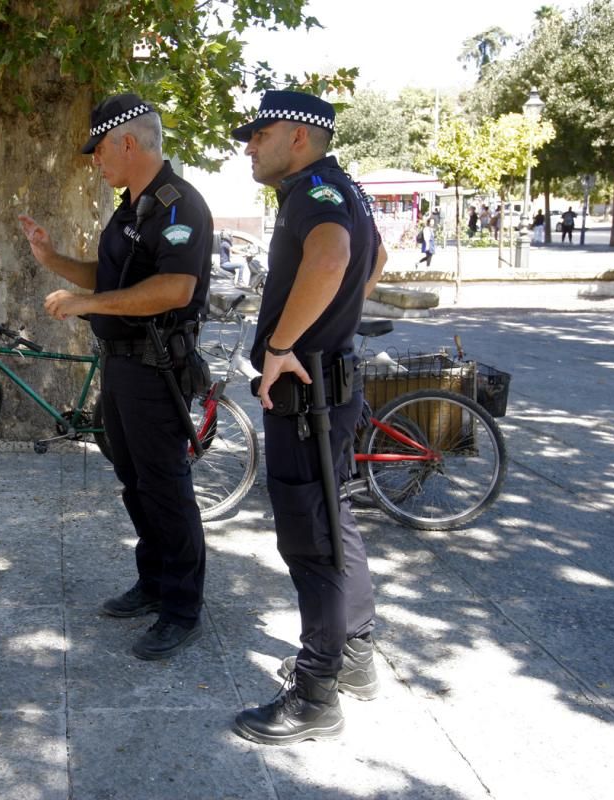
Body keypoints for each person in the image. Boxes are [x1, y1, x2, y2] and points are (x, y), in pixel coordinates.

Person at [19, 93, 213, 661]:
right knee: (134, 482)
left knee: (166, 487)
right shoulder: (133, 208)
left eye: (99, 149)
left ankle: (182, 607)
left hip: (157, 369)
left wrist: (86, 303)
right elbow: (109, 278)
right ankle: (153, 582)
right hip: (124, 365)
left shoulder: (180, 207)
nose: (95, 161)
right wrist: (54, 259)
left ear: (128, 142)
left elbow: (174, 289)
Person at [231, 90, 388, 745]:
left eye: (258, 133)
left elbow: (333, 259)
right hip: (330, 386)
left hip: (308, 397)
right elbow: (373, 260)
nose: (248, 145)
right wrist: (333, 319)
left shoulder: (312, 192)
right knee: (335, 516)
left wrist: (283, 344)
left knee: (310, 540)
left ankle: (317, 692)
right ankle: (354, 655)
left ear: (297, 135)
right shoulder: (344, 187)